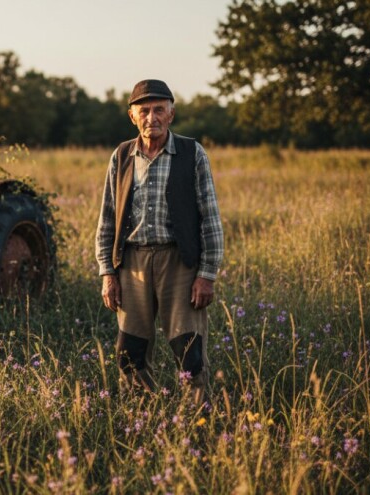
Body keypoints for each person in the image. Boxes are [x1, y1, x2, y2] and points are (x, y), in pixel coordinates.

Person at [95, 79, 224, 403]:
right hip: (132, 264)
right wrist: (107, 274)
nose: (151, 117)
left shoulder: (192, 153)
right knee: (130, 350)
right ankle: (143, 415)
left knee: (188, 347)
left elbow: (210, 216)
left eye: (158, 110)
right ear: (132, 116)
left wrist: (206, 274)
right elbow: (107, 217)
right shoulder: (122, 155)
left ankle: (196, 419)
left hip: (179, 261)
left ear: (171, 114)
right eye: (144, 111)